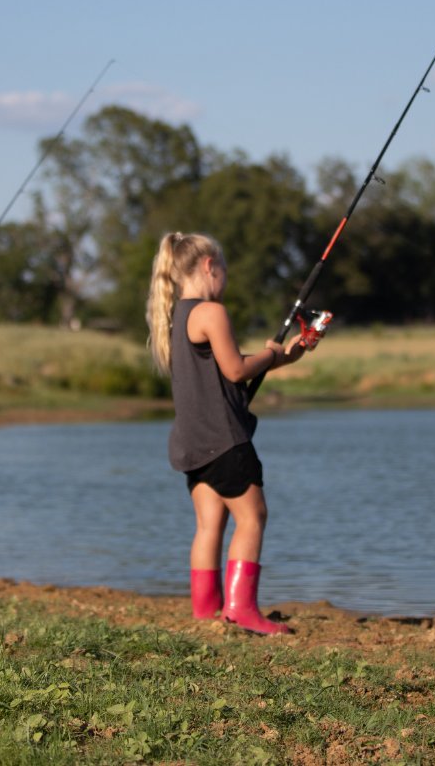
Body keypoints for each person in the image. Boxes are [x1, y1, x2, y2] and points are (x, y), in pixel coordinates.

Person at [146, 231, 312, 634]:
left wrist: (280, 358)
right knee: (253, 517)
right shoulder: (211, 312)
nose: (225, 279)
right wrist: (271, 353)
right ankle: (241, 610)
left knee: (209, 525)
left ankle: (207, 611)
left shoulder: (175, 316)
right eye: (224, 270)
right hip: (223, 440)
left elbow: (225, 373)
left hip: (191, 443)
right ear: (208, 266)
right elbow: (236, 369)